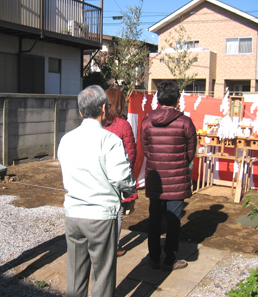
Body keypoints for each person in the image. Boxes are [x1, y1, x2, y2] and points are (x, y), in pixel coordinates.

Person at [57, 85, 136, 297]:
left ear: (81, 112)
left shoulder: (66, 139)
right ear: (104, 109)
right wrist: (131, 188)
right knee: (102, 274)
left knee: (75, 272)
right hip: (101, 215)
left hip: (73, 213)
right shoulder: (109, 140)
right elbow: (120, 178)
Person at [140, 80, 197, 272]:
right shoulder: (185, 122)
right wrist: (180, 165)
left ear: (158, 98)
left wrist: (158, 161)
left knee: (154, 219)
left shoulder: (147, 121)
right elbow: (191, 152)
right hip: (177, 179)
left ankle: (154, 257)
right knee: (174, 220)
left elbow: (146, 149)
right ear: (177, 98)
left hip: (155, 178)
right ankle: (170, 259)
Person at [103, 87, 138, 257]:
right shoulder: (123, 125)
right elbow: (131, 154)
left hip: (98, 174)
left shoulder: (98, 123)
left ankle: (99, 243)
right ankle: (114, 246)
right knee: (117, 212)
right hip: (117, 176)